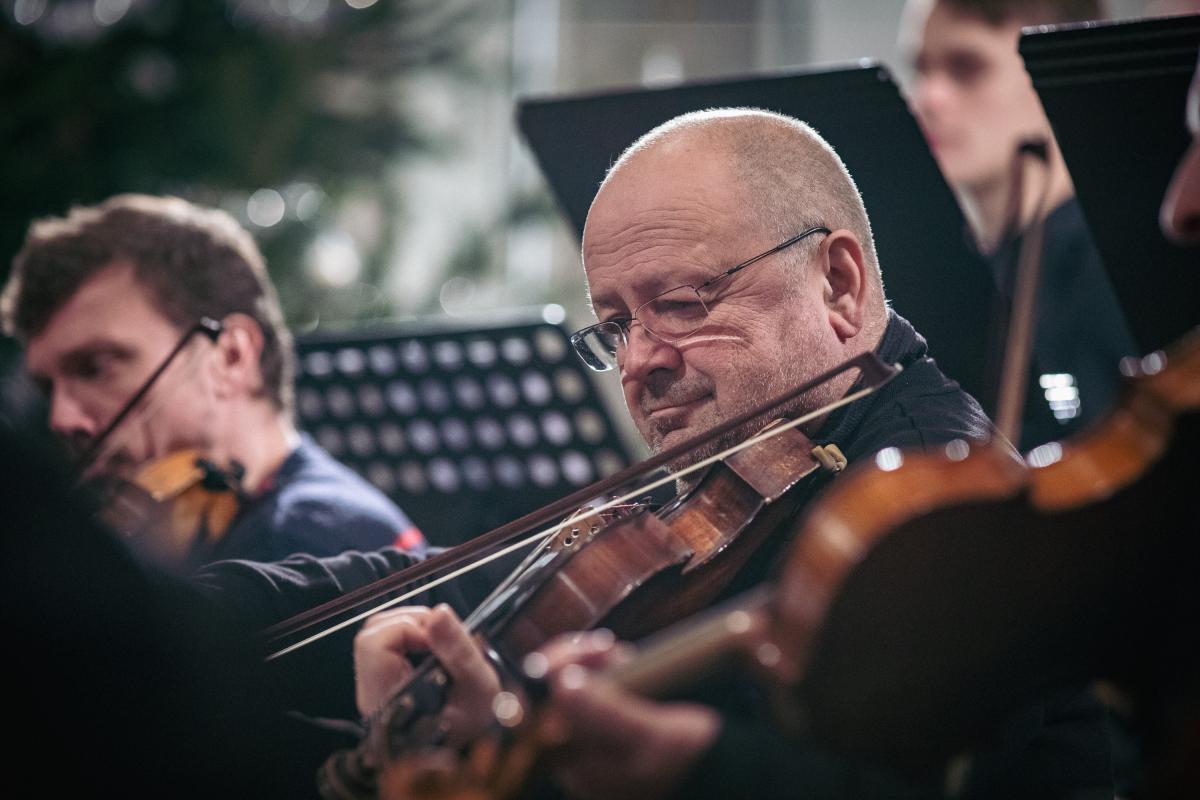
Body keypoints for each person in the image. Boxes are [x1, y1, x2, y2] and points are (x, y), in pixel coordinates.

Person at [349, 109, 1115, 799]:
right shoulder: (738, 462)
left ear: (838, 284)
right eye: (615, 327)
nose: (638, 362)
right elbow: (483, 580)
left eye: (682, 305)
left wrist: (612, 766)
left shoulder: (926, 501)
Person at [0, 194, 425, 568]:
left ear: (230, 357)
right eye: (48, 389)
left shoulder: (314, 539)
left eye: (96, 367)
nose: (61, 418)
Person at [899, 0, 1138, 450]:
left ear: (1057, 72)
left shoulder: (1108, 265)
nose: (927, 97)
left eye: (967, 68)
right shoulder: (971, 269)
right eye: (921, 68)